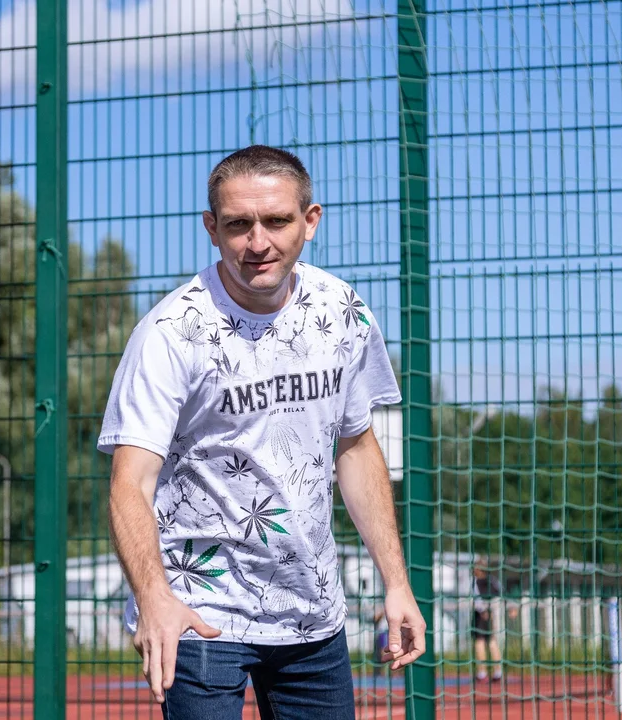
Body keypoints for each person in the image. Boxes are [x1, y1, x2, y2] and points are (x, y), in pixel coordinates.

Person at [99, 145, 426, 719]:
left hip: (313, 613)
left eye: (276, 220)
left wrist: (396, 582)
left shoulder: (341, 311)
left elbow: (355, 447)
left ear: (310, 220)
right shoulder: (172, 332)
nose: (258, 242)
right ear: (211, 228)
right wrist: (153, 597)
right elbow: (130, 482)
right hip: (199, 612)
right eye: (237, 224)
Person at [471, 562, 515, 682]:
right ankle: (497, 672)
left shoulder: (476, 581)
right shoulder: (492, 580)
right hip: (489, 613)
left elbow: (477, 597)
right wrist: (511, 606)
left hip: (482, 615)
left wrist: (483, 610)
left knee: (481, 642)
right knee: (491, 640)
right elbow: (503, 592)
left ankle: (483, 673)